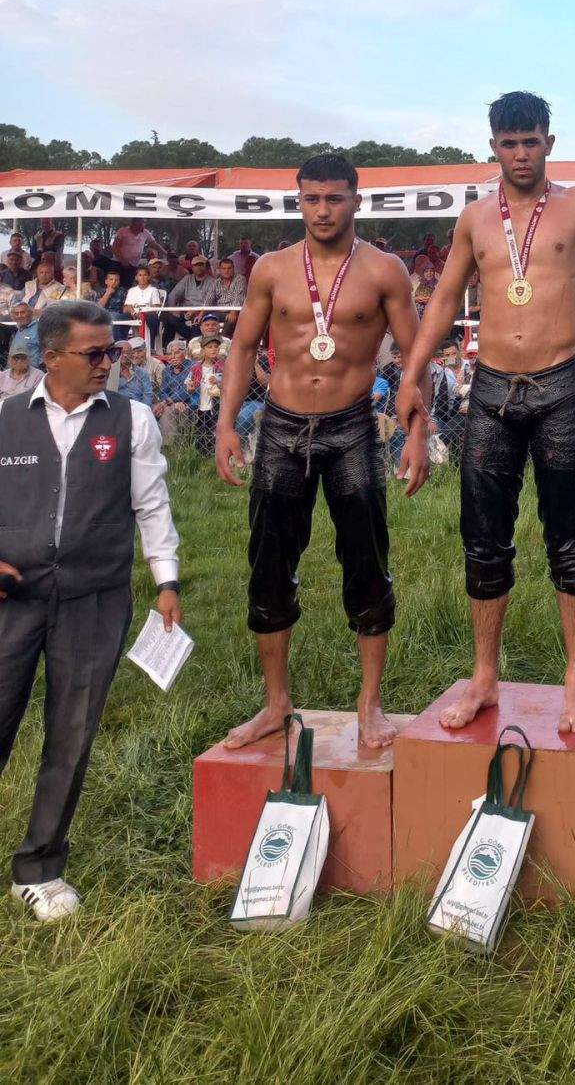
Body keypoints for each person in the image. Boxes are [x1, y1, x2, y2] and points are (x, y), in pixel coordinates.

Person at [396, 90, 575, 734]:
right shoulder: (474, 219)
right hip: (493, 393)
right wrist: (411, 376)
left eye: (531, 141)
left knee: (569, 540)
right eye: (509, 143)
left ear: (549, 143)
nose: (521, 154)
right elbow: (443, 301)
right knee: (484, 542)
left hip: (559, 388)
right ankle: (484, 678)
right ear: (492, 145)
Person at [215, 154, 429, 750]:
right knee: (269, 564)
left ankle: (370, 705)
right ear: (299, 201)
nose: (323, 210)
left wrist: (416, 432)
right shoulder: (272, 269)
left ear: (355, 200)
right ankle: (276, 704)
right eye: (311, 199)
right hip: (281, 428)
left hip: (353, 428)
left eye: (334, 199)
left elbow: (414, 359)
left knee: (366, 561)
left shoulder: (385, 271)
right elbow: (240, 349)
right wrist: (228, 424)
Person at [0, 301, 180, 921]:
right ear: (50, 359)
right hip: (11, 598)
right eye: (94, 354)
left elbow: (152, 505)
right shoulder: (4, 419)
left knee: (71, 733)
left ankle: (40, 868)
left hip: (95, 597)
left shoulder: (132, 419)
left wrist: (167, 581)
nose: (109, 363)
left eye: (113, 352)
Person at [165, 255, 218, 343]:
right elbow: (173, 295)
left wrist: (195, 311)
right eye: (196, 265)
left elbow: (210, 300)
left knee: (197, 322)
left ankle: (193, 346)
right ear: (192, 267)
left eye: (201, 265)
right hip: (185, 310)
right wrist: (173, 310)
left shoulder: (212, 281)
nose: (199, 268)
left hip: (202, 311)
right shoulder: (187, 279)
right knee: (171, 319)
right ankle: (167, 348)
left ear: (205, 266)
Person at [152, 342, 194, 444]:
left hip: (189, 403)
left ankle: (169, 446)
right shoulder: (166, 371)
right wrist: (172, 403)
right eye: (170, 354)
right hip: (170, 404)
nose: (173, 356)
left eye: (177, 353)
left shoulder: (193, 367)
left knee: (169, 411)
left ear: (185, 353)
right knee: (157, 410)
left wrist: (168, 401)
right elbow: (163, 392)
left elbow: (187, 390)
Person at [124, 263, 166, 348]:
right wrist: (134, 313)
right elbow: (128, 306)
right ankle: (124, 347)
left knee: (152, 317)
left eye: (145, 275)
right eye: (140, 275)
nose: (142, 278)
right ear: (136, 277)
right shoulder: (132, 290)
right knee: (121, 318)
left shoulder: (153, 290)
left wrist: (144, 312)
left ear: (148, 277)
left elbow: (157, 307)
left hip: (149, 315)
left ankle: (150, 347)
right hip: (134, 315)